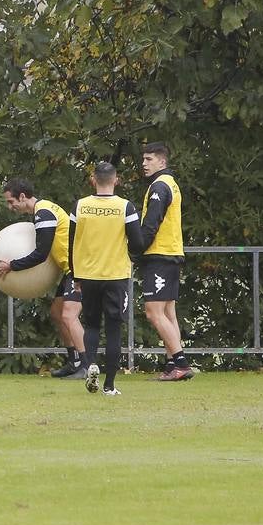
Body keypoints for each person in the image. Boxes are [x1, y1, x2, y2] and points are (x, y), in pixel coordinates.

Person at [0, 178, 85, 377]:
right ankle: (74, 362)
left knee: (69, 316)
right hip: (71, 269)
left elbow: (41, 254)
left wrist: (12, 266)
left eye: (11, 202)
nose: (10, 207)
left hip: (80, 269)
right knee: (56, 312)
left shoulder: (44, 213)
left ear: (23, 197)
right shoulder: (41, 211)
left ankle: (86, 366)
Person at [68, 162, 144, 396]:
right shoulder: (125, 207)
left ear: (93, 180)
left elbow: (70, 244)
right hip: (116, 276)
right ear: (116, 180)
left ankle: (90, 363)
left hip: (88, 275)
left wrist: (75, 275)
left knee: (90, 324)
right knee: (113, 329)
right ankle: (109, 385)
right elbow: (139, 243)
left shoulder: (80, 206)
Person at [140, 142, 193, 381]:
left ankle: (181, 363)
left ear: (162, 162)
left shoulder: (159, 186)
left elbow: (152, 223)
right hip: (170, 253)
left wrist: (137, 247)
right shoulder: (169, 183)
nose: (144, 163)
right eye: (143, 159)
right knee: (168, 312)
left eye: (149, 159)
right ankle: (173, 363)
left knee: (153, 312)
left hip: (160, 254)